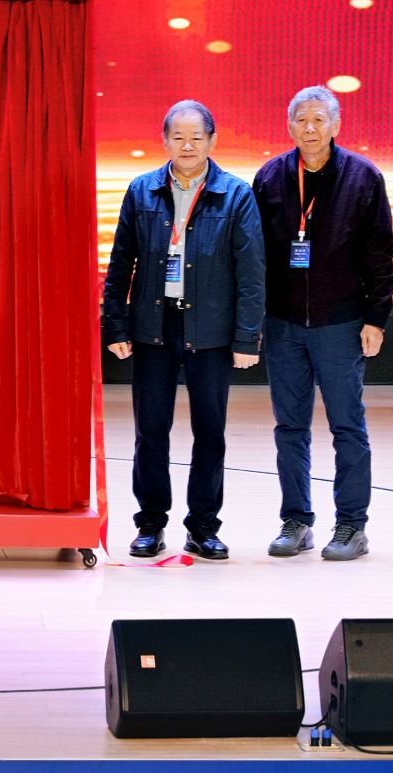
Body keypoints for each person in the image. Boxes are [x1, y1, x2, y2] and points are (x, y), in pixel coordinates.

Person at [101, 99, 265, 560]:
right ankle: (150, 523)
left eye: (196, 137)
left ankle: (203, 526)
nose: (187, 145)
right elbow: (120, 263)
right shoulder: (141, 190)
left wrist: (247, 337)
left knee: (210, 432)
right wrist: (115, 324)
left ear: (212, 140)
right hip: (153, 326)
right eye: (178, 137)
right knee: (151, 431)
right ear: (165, 140)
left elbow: (251, 272)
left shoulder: (235, 194)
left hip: (210, 331)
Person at [251, 86, 393, 562]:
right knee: (289, 427)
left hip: (341, 323)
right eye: (301, 120)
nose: (309, 129)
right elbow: (254, 257)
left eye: (319, 120)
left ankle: (352, 525)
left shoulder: (363, 177)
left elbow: (380, 254)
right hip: (284, 324)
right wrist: (253, 320)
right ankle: (296, 521)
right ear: (289, 126)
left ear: (336, 124)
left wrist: (376, 318)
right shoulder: (270, 178)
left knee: (347, 426)